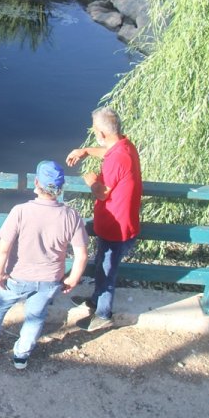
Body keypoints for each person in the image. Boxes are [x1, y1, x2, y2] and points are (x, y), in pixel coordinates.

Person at [0, 160, 88, 370]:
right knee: (36, 316)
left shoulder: (21, 211)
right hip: (50, 279)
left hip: (17, 276)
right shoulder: (71, 215)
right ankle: (21, 356)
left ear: (36, 183)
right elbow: (81, 254)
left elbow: (3, 248)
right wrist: (72, 278)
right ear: (60, 188)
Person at [66, 106, 143, 332]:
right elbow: (107, 151)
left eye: (95, 130)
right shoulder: (125, 146)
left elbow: (102, 192)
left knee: (107, 272)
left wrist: (90, 180)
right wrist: (87, 151)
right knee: (102, 266)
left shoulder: (117, 159)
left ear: (102, 133)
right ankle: (95, 300)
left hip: (116, 228)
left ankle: (102, 314)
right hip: (116, 223)